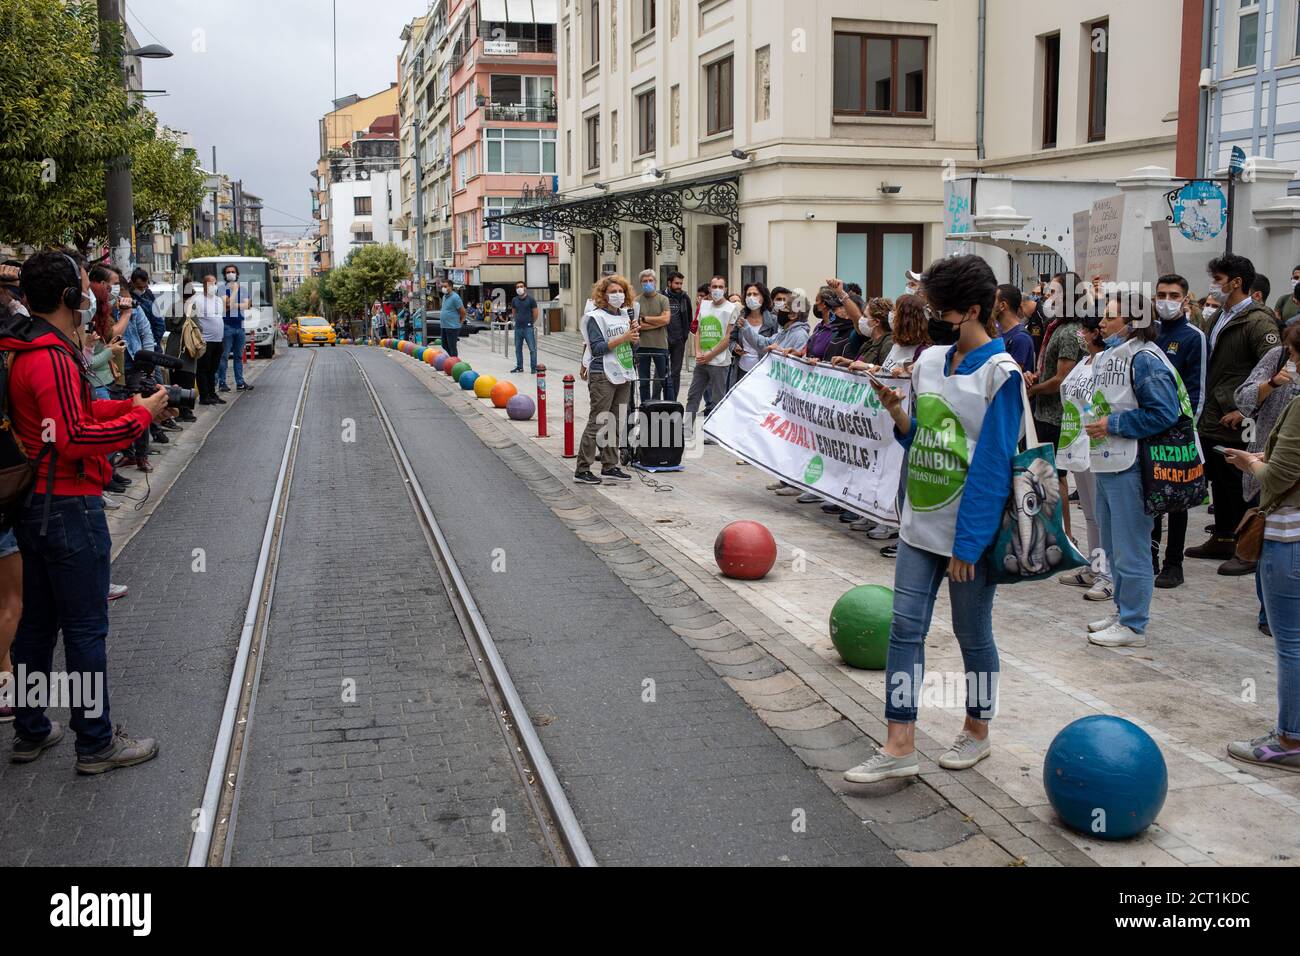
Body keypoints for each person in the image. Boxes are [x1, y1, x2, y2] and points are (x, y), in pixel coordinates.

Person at [842, 255, 1024, 784]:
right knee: (904, 628)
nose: (933, 316)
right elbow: (921, 435)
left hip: (971, 531)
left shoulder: (1001, 374)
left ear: (972, 310)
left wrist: (967, 545)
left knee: (972, 632)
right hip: (919, 520)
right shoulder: (926, 363)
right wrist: (898, 413)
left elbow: (993, 464)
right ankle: (899, 742)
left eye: (941, 309)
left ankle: (977, 729)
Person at [3, 250, 169, 772]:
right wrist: (137, 421)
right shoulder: (50, 357)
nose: (91, 296)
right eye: (83, 287)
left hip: (36, 508)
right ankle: (95, 741)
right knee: (84, 629)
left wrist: (129, 405)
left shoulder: (27, 349)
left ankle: (31, 729)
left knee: (35, 628)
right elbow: (72, 437)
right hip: (67, 508)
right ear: (70, 297)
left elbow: (72, 414)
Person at [1080, 292, 1184, 648]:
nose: (1102, 324)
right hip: (1109, 461)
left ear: (1132, 322)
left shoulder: (1145, 359)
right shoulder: (1115, 354)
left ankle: (1134, 624)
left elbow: (1164, 413)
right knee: (1112, 546)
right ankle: (1122, 611)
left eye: (1110, 317)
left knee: (1132, 547)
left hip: (1133, 465)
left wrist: (1114, 424)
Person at [1186, 254, 1282, 573]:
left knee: (1243, 482)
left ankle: (1247, 547)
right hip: (1215, 413)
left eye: (1218, 279)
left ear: (1236, 282)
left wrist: (1246, 410)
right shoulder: (1221, 316)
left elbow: (1275, 369)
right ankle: (1224, 537)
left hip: (1240, 416)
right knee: (1222, 480)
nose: (1214, 286)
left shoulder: (1259, 321)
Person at [1222, 387, 1300, 770]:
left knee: (1292, 643)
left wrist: (1250, 464)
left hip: (1291, 536)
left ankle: (1290, 738)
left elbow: (1279, 476)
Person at [1234, 323, 1300, 635]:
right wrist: (1272, 384)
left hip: (1280, 486)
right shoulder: (1276, 357)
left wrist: (1252, 462)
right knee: (1268, 543)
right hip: (1269, 481)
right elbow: (1244, 400)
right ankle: (1269, 614)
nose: (1295, 364)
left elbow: (1277, 475)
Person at [1149, 274, 1207, 588]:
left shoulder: (1193, 336)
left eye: (1173, 295)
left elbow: (1198, 388)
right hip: (1149, 429)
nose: (1166, 300)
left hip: (1179, 431)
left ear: (1185, 299)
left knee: (1178, 501)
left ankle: (1174, 563)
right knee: (1153, 497)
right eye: (1161, 294)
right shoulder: (1150, 333)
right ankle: (1151, 555)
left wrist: (1188, 430)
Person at [1026, 271, 1091, 541]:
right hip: (1046, 410)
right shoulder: (1057, 327)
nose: (1049, 298)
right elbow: (1050, 370)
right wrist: (1035, 377)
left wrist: (1033, 389)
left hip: (1056, 415)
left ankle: (1065, 534)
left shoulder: (1068, 332)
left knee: (1057, 476)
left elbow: (1061, 379)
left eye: (1055, 293)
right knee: (1046, 474)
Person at [574, 275, 637, 485]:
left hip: (623, 371)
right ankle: (583, 468)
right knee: (599, 420)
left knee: (615, 421)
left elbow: (630, 347)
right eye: (612, 292)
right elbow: (598, 347)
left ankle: (610, 465)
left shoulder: (625, 315)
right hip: (603, 373)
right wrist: (624, 338)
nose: (617, 295)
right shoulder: (595, 317)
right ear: (603, 295)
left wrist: (634, 338)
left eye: (620, 291)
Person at [685, 275, 737, 434]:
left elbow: (728, 337)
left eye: (721, 287)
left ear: (725, 289)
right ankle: (686, 429)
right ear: (709, 289)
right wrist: (698, 353)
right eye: (714, 287)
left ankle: (716, 432)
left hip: (719, 362)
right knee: (693, 395)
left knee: (717, 399)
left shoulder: (731, 308)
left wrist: (710, 355)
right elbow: (698, 331)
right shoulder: (704, 305)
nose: (717, 290)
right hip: (702, 361)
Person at [186, 273, 226, 405]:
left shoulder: (218, 300)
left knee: (214, 368)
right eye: (210, 283)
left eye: (214, 283)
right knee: (203, 369)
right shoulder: (198, 300)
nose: (213, 286)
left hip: (218, 340)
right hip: (205, 341)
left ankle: (212, 393)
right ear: (204, 285)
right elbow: (191, 318)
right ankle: (204, 395)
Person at [634, 270, 671, 399]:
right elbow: (636, 325)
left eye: (650, 280)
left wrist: (645, 319)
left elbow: (666, 320)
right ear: (641, 283)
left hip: (660, 345)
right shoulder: (636, 302)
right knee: (643, 381)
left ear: (655, 282)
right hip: (642, 345)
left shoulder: (663, 299)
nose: (648, 283)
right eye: (645, 281)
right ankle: (645, 408)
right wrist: (658, 321)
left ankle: (669, 407)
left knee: (665, 379)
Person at [218, 264, 252, 393]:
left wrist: (233, 305)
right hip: (226, 326)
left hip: (240, 326)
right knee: (224, 356)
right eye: (228, 272)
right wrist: (235, 292)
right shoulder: (221, 289)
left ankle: (240, 382)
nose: (231, 273)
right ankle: (222, 383)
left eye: (233, 271)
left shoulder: (243, 288)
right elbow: (226, 305)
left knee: (238, 356)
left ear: (237, 274)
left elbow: (248, 305)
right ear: (225, 275)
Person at [663, 271, 693, 401]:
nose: (679, 286)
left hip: (679, 340)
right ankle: (655, 400)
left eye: (681, 283)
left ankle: (672, 400)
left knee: (676, 373)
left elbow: (689, 317)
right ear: (669, 283)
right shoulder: (661, 297)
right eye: (676, 283)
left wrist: (684, 335)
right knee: (660, 373)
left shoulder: (685, 298)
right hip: (663, 340)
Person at [994, 285, 1035, 372]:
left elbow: (1011, 375)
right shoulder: (999, 332)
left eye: (992, 300)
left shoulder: (1020, 338)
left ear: (1002, 306)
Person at [509, 282, 541, 373]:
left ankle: (533, 368)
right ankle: (519, 367)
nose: (519, 288)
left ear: (525, 288)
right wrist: (517, 320)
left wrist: (530, 323)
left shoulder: (531, 300)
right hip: (518, 327)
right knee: (518, 349)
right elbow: (514, 312)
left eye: (521, 286)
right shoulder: (514, 300)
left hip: (528, 328)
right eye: (517, 287)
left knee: (532, 349)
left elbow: (535, 313)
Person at [439, 280, 465, 358]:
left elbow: (463, 312)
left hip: (452, 326)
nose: (443, 288)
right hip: (444, 326)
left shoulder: (455, 297)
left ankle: (455, 362)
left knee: (452, 347)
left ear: (451, 287)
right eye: (442, 286)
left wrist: (461, 321)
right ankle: (453, 360)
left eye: (445, 286)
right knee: (444, 345)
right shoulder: (444, 297)